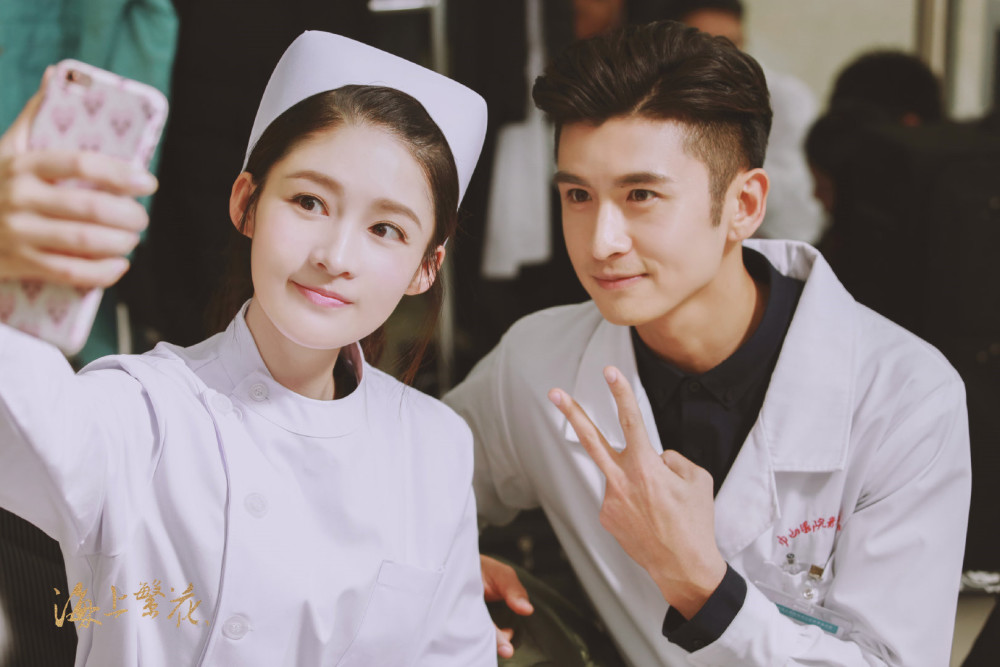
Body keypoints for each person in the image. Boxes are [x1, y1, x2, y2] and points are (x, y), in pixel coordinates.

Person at [446, 21, 971, 666]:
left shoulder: (905, 397)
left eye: (641, 195)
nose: (601, 241)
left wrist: (701, 585)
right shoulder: (538, 362)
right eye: (578, 195)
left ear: (744, 204)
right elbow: (392, 495)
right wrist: (444, 566)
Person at [0, 31, 495, 666]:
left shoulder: (438, 445)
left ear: (426, 267)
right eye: (309, 201)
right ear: (247, 203)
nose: (335, 256)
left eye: (385, 229)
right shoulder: (140, 410)